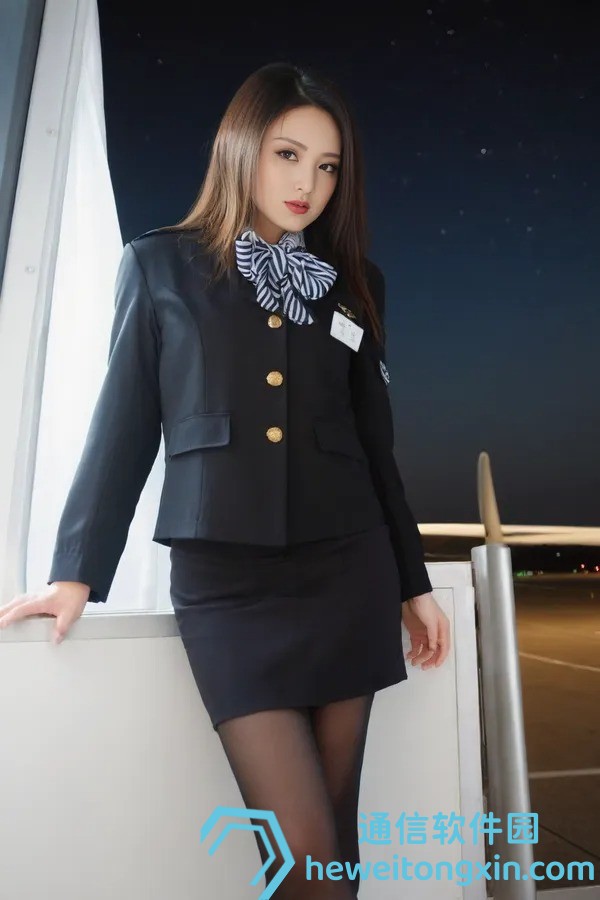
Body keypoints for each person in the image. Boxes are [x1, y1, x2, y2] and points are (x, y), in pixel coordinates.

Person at [0, 62, 450, 898]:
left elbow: (374, 446)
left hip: (348, 573)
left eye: (327, 166)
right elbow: (123, 425)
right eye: (288, 154)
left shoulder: (355, 286)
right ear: (240, 147)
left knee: (334, 855)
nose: (308, 184)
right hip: (228, 587)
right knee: (304, 855)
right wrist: (75, 572)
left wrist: (412, 583)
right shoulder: (160, 266)